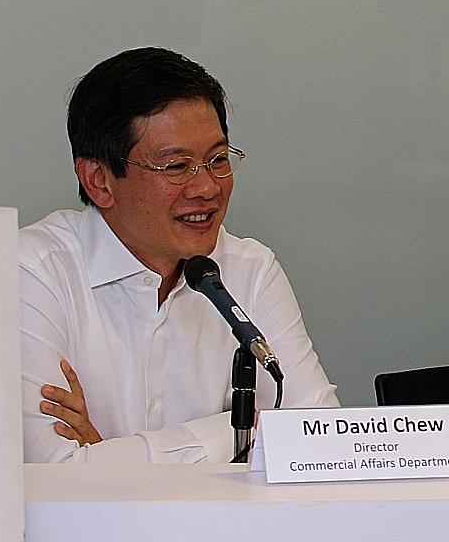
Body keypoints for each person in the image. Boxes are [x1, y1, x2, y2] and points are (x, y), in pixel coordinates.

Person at [19, 48, 338, 463]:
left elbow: (319, 441)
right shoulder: (31, 273)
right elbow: (50, 474)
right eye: (176, 167)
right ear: (99, 180)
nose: (206, 187)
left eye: (217, 160)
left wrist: (106, 455)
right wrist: (240, 432)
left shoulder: (249, 268)